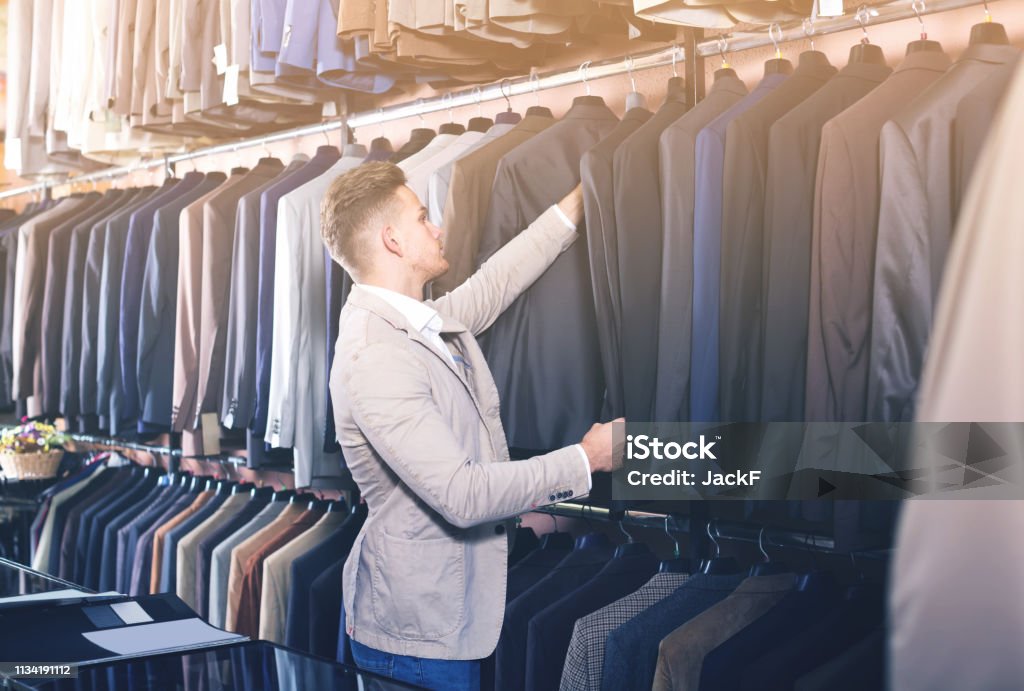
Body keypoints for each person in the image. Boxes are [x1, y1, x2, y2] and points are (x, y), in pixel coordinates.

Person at [321, 161, 621, 690]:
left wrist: (579, 203)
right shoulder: (376, 355)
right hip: (420, 638)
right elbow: (462, 494)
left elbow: (494, 283)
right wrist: (586, 458)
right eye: (421, 218)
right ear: (392, 239)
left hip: (442, 617)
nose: (436, 228)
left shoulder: (414, 323)